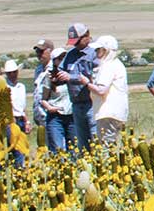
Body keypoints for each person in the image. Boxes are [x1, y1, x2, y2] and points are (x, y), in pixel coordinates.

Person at [51, 24, 101, 153]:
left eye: (77, 41)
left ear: (86, 37)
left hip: (91, 105)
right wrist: (57, 79)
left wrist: (70, 77)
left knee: (96, 140)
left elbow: (93, 78)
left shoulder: (94, 55)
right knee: (83, 145)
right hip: (76, 105)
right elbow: (62, 72)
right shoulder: (70, 55)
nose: (75, 45)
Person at [86, 38, 130, 144]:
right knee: (111, 142)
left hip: (108, 112)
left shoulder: (108, 65)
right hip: (115, 112)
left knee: (106, 145)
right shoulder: (116, 64)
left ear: (106, 50)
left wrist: (86, 83)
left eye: (98, 50)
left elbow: (101, 90)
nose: (96, 53)